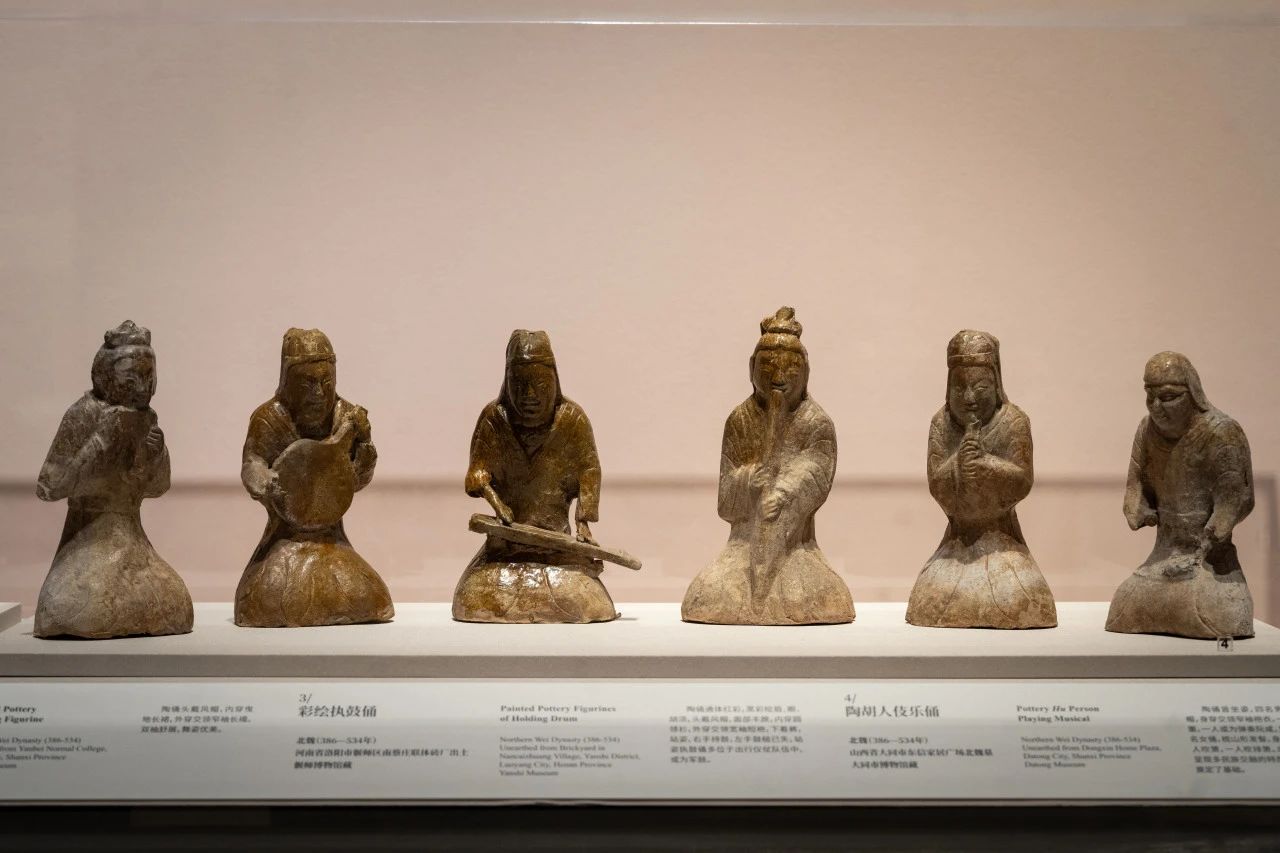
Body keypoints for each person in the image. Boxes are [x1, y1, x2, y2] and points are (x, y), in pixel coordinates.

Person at [681, 307, 854, 625]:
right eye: (768, 367)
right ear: (751, 369)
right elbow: (726, 495)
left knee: (815, 596)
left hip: (795, 544)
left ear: (805, 372)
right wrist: (748, 479)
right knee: (706, 595)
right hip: (742, 544)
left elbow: (816, 469)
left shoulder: (815, 422)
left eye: (790, 368)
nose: (779, 377)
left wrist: (784, 491)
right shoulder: (740, 420)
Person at [35, 320, 193, 638]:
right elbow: (49, 486)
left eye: (148, 378)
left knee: (177, 604)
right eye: (130, 379)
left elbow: (156, 487)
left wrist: (156, 455)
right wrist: (99, 442)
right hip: (88, 537)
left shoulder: (146, 417)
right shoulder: (84, 414)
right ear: (105, 377)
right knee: (75, 608)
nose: (141, 388)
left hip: (132, 535)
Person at [453, 329, 617, 623]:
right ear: (508, 383)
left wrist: (583, 523)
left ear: (554, 382)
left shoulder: (572, 421)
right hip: (504, 550)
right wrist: (497, 504)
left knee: (583, 597)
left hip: (558, 547)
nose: (530, 396)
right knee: (478, 595)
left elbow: (589, 471)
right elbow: (477, 474)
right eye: (520, 385)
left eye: (540, 384)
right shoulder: (494, 419)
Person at [235, 328, 392, 627]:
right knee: (267, 598)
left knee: (369, 595)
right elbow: (253, 461)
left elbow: (355, 481)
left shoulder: (345, 416)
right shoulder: (269, 418)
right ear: (288, 382)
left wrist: (365, 444)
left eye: (326, 382)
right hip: (284, 540)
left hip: (333, 540)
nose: (318, 394)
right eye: (307, 384)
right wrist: (262, 478)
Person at [906, 330, 1057, 628]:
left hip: (1002, 541)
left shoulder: (1013, 422)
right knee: (933, 596)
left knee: (1021, 595)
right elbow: (936, 483)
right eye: (959, 387)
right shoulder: (941, 424)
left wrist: (987, 464)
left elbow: (1023, 479)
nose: (969, 398)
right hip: (956, 541)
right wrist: (958, 464)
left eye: (980, 386)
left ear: (996, 384)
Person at [1106, 351, 1254, 638]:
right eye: (1150, 396)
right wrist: (1137, 506)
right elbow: (1136, 482)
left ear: (1193, 394)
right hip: (1163, 553)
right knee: (1124, 606)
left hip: (1209, 559)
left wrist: (1216, 529)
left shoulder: (1221, 433)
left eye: (1168, 397)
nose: (1157, 407)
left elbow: (1238, 498)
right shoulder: (1146, 430)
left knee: (1218, 614)